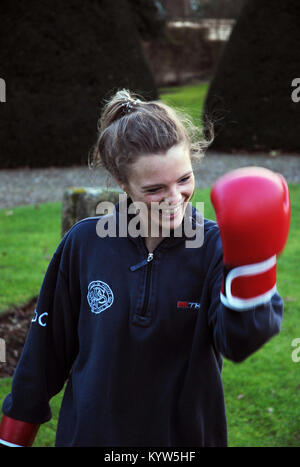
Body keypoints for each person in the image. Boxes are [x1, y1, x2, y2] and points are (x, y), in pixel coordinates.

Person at [0, 89, 290, 447]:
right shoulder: (85, 243)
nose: (174, 198)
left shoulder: (215, 248)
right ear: (123, 184)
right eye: (154, 188)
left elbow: (240, 341)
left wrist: (254, 265)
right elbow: (43, 356)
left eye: (184, 179)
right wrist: (12, 439)